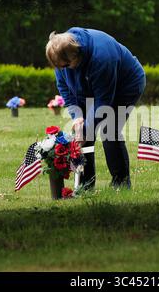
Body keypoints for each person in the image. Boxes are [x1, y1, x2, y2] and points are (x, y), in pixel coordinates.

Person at [45, 27, 146, 190]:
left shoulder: (102, 57)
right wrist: (77, 117)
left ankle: (120, 183)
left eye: (65, 66)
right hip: (91, 89)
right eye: (60, 67)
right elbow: (63, 86)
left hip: (126, 85)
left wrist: (87, 130)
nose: (62, 70)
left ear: (76, 55)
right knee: (81, 131)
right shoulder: (61, 56)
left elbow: (102, 103)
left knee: (108, 129)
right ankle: (86, 184)